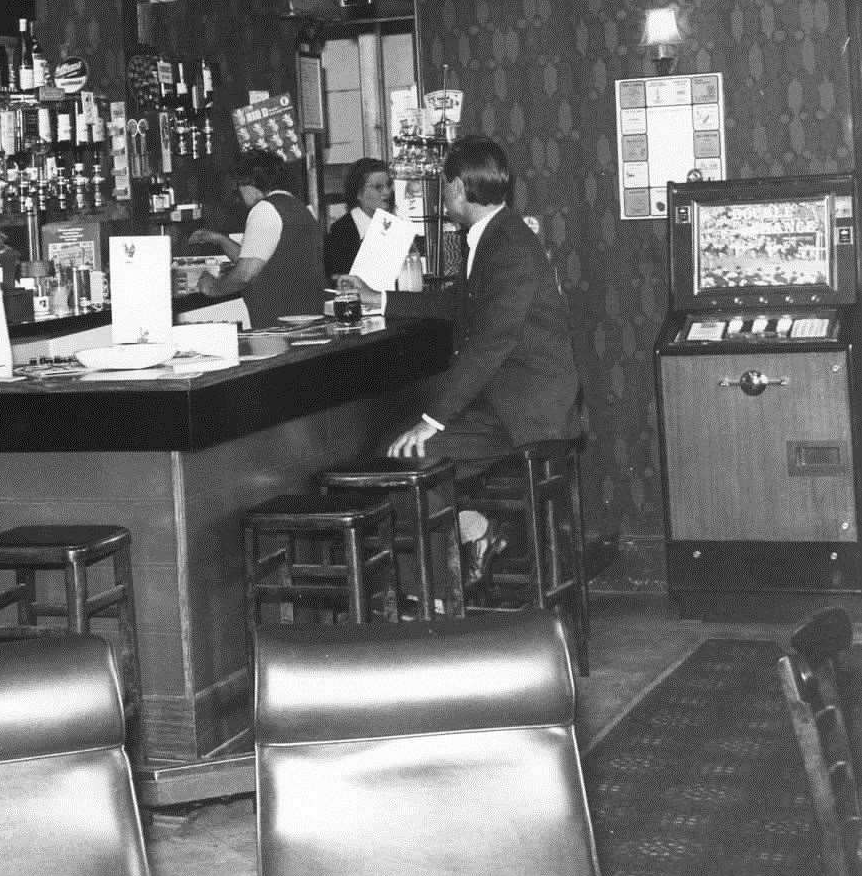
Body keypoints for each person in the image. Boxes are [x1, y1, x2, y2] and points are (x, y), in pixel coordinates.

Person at [343, 136, 580, 575]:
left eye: (444, 187)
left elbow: (490, 343)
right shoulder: (495, 234)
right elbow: (460, 302)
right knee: (409, 452)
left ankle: (437, 595)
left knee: (407, 454)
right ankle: (472, 535)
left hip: (526, 413)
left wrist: (431, 419)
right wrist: (380, 299)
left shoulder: (505, 244)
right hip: (510, 402)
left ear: (455, 189)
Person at [188, 149, 325, 327]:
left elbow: (245, 274)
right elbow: (259, 259)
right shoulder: (296, 206)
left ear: (249, 185)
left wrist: (212, 288)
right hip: (303, 318)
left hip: (278, 324)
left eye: (239, 186)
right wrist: (219, 239)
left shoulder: (265, 210)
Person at [324, 157, 395, 278]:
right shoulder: (340, 233)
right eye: (378, 187)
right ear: (358, 193)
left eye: (388, 185)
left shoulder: (394, 227)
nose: (387, 192)